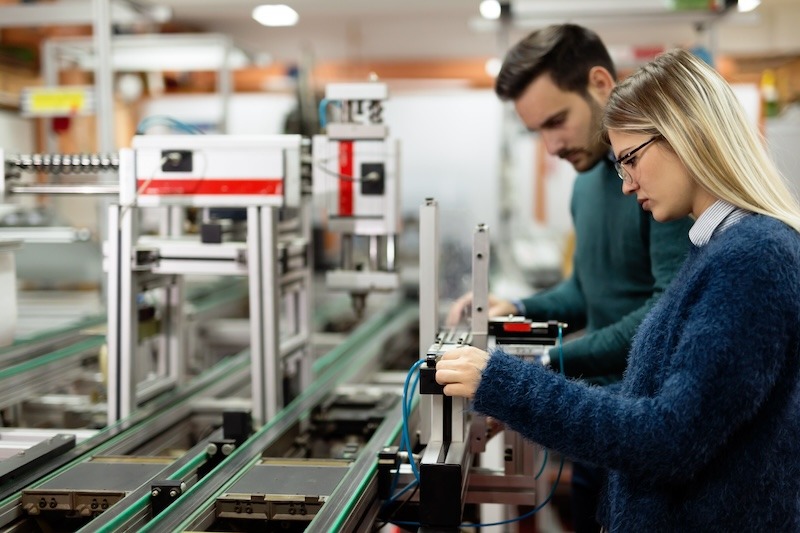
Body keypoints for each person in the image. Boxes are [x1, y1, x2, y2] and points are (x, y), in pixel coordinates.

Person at [435, 48, 800, 531]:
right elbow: (656, 401)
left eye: (630, 160)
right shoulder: (716, 249)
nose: (626, 185)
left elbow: (667, 440)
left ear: (686, 133)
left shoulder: (753, 259)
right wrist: (518, 405)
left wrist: (508, 384)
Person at [446, 24, 693, 531]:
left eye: (557, 120)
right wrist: (515, 307)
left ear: (600, 83)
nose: (552, 145)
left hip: (640, 428)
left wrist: (541, 364)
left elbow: (664, 312)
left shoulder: (660, 180)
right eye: (538, 130)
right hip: (593, 423)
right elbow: (585, 291)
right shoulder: (585, 186)